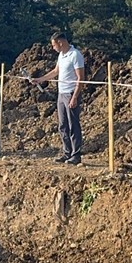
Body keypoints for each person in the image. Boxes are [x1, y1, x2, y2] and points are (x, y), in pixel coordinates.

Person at [31, 32, 86, 165]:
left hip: (71, 93)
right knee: (63, 125)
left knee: (73, 124)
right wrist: (40, 79)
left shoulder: (75, 55)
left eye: (54, 44)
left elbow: (81, 78)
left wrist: (74, 97)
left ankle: (76, 155)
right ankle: (67, 152)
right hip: (61, 94)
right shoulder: (61, 55)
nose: (53, 47)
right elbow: (56, 71)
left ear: (60, 42)